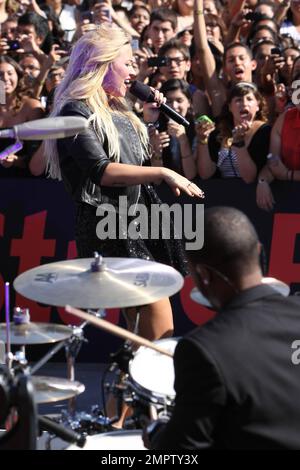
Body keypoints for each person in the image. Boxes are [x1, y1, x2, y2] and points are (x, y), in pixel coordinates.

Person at [45, 24, 204, 343]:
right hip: (111, 223)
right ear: (103, 63)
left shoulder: (119, 108)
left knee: (140, 343)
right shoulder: (75, 111)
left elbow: (136, 163)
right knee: (157, 337)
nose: (135, 71)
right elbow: (102, 171)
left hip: (137, 217)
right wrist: (163, 174)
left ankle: (124, 393)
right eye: (128, 62)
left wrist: (149, 118)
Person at [147, 206, 300, 450]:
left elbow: (181, 452)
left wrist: (155, 435)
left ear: (203, 275)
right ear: (259, 253)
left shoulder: (203, 350)